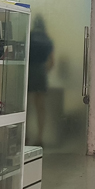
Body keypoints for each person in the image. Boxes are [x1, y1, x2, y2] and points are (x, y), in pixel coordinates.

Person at [28, 15, 54, 146]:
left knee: (26, 106)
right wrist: (43, 72)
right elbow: (51, 62)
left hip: (29, 71)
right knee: (40, 107)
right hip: (41, 73)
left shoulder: (29, 36)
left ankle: (24, 135)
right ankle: (39, 138)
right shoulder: (47, 39)